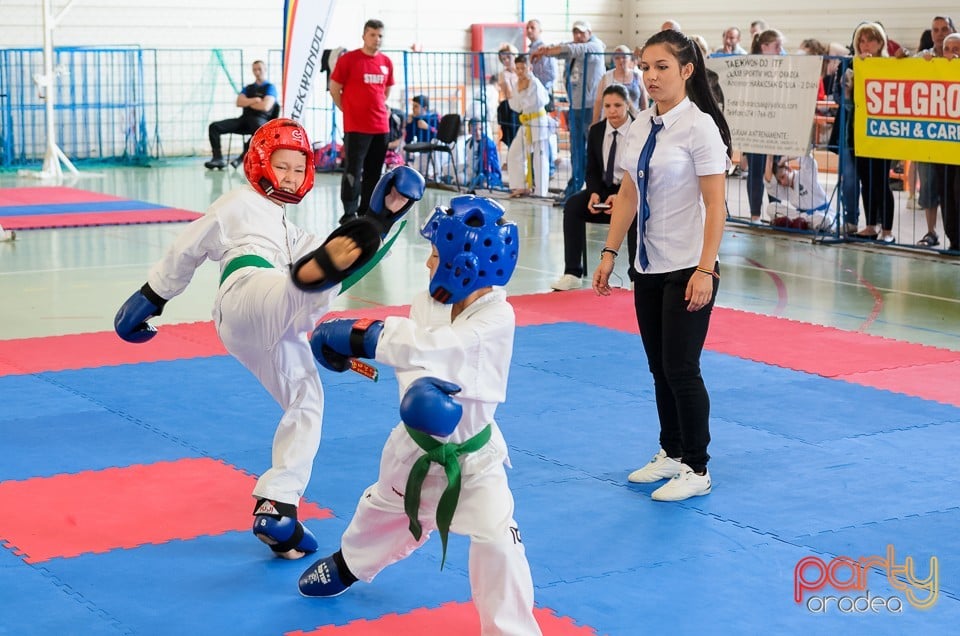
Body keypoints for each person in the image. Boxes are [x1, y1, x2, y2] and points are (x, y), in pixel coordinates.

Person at [113, 118, 426, 559]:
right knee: (296, 287)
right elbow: (189, 246)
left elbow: (332, 248)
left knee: (308, 401)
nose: (292, 177)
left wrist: (381, 220)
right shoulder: (238, 203)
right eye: (283, 167)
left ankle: (278, 506)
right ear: (260, 162)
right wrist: (152, 295)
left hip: (269, 328)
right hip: (246, 292)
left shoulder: (287, 228)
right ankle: (318, 282)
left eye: (299, 170)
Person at [298, 195, 542, 636]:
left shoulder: (497, 319)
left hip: (472, 460)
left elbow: (438, 348)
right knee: (382, 508)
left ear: (464, 266)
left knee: (497, 541)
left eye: (434, 255)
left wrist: (361, 336)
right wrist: (413, 391)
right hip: (415, 445)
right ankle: (352, 562)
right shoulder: (430, 300)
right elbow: (413, 355)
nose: (428, 264)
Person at [592, 29, 731, 502]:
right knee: (658, 367)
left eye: (661, 67)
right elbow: (628, 193)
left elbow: (717, 205)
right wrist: (610, 252)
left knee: (682, 368)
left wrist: (706, 270)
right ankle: (671, 451)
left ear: (686, 71)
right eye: (645, 67)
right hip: (646, 266)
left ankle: (697, 465)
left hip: (688, 264)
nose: (650, 76)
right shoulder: (638, 125)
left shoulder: (700, 128)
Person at [552, 84, 636, 291]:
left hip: (632, 191)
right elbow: (592, 169)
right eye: (607, 106)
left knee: (635, 212)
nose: (612, 110)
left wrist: (620, 196)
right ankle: (572, 272)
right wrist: (594, 193)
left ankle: (636, 277)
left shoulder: (638, 130)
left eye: (617, 105)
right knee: (572, 206)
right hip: (604, 191)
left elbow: (638, 170)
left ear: (627, 105)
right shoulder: (597, 131)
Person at [530, 20, 606, 202]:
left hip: (591, 106)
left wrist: (545, 50)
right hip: (575, 106)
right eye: (575, 32)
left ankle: (598, 188)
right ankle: (576, 185)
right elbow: (565, 50)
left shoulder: (596, 46)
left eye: (581, 32)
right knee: (576, 149)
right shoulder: (574, 47)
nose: (578, 36)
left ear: (589, 32)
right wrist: (547, 50)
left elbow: (573, 49)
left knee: (595, 149)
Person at [329, 19, 395, 225]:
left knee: (374, 172)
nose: (377, 39)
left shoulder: (386, 62)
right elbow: (334, 89)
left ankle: (367, 211)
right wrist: (348, 110)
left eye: (380, 35)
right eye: (373, 35)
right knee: (353, 170)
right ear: (364, 36)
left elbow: (385, 92)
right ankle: (349, 212)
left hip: (380, 127)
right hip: (356, 127)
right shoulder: (349, 60)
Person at [845, 22, 896, 242]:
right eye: (862, 40)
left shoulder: (891, 65)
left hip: (883, 133)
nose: (866, 44)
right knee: (866, 181)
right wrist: (848, 87)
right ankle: (870, 225)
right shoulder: (854, 66)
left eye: (870, 39)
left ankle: (887, 230)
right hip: (860, 132)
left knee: (881, 181)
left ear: (880, 42)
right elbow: (848, 103)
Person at [915, 16, 958, 248]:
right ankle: (935, 233)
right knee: (934, 186)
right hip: (931, 136)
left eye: (944, 29)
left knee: (955, 191)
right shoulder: (924, 58)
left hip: (955, 140)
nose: (940, 34)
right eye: (935, 30)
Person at [743, 29, 786, 223]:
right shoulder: (750, 70)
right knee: (756, 170)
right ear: (764, 47)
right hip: (755, 125)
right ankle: (755, 215)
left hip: (775, 124)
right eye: (777, 46)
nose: (780, 50)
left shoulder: (782, 68)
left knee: (775, 169)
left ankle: (775, 213)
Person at [205, 60, 278, 170]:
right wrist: (255, 100)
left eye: (259, 69)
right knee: (214, 126)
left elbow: (265, 106)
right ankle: (217, 159)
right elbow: (239, 102)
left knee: (259, 134)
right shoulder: (248, 88)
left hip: (260, 121)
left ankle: (241, 158)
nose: (257, 72)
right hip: (244, 120)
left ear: (265, 70)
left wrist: (248, 102)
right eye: (254, 69)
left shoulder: (270, 87)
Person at [505, 54, 551, 198]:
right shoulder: (517, 84)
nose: (520, 71)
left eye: (523, 68)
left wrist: (522, 91)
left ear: (529, 68)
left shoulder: (535, 83)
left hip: (538, 122)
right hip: (525, 122)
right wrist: (518, 90)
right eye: (517, 68)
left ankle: (540, 192)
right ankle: (520, 186)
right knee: (514, 153)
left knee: (539, 157)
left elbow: (534, 102)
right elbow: (516, 106)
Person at [763, 155, 837, 231]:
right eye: (779, 181)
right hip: (800, 216)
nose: (782, 182)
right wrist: (769, 156)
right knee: (771, 207)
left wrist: (784, 159)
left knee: (824, 220)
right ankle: (801, 223)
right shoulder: (785, 189)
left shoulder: (805, 175)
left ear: (789, 169)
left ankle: (793, 223)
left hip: (821, 214)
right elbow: (770, 183)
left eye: (783, 177)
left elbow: (808, 160)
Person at [592, 46, 646, 122]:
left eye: (624, 57)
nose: (621, 60)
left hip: (634, 121)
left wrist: (645, 121)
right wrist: (595, 122)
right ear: (613, 60)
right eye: (617, 58)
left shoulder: (637, 76)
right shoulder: (606, 77)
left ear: (630, 58)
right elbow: (598, 101)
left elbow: (643, 102)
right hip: (610, 120)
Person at [404, 94, 439, 175]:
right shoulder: (415, 120)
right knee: (416, 172)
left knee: (432, 172)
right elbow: (408, 140)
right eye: (412, 106)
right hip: (422, 151)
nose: (413, 109)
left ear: (424, 108)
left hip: (435, 151)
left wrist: (428, 127)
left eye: (416, 106)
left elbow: (441, 136)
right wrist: (409, 125)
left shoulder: (434, 117)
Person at [496, 44, 521, 150]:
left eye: (508, 57)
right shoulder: (503, 75)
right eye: (503, 59)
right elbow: (507, 94)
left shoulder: (521, 71)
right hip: (511, 106)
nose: (506, 61)